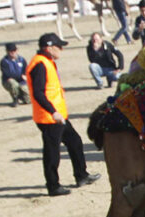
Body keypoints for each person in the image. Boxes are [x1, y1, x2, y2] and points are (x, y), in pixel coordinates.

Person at [27, 32, 100, 196]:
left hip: (58, 115)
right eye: (58, 47)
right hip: (50, 118)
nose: (61, 50)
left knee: (75, 142)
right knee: (52, 153)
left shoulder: (47, 61)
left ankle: (81, 175)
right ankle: (53, 186)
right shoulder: (40, 64)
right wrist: (53, 112)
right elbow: (38, 93)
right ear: (49, 47)